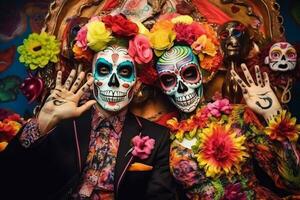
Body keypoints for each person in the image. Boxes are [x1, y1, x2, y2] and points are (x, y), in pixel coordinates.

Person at [0, 14, 175, 200]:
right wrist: (42, 123)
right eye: (104, 70)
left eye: (124, 71)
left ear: (137, 84)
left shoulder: (158, 137)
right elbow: (8, 180)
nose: (113, 82)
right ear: (91, 78)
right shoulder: (60, 123)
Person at [151, 14, 300, 199]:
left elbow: (293, 181)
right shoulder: (166, 139)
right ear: (161, 87)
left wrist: (273, 112)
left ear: (203, 73)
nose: (181, 87)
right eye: (168, 79)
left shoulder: (236, 117)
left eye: (189, 73)